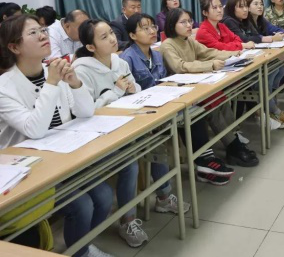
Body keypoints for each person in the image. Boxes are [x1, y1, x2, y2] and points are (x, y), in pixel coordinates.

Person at [0, 15, 113, 257]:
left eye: (42, 30)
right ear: (14, 47)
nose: (43, 35)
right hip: (29, 169)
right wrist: (52, 83)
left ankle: (82, 245)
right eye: (33, 33)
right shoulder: (4, 87)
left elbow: (86, 111)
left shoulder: (53, 70)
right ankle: (80, 252)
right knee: (82, 206)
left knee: (104, 196)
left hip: (63, 156)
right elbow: (35, 129)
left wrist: (74, 83)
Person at [72, 20, 148, 248]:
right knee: (130, 164)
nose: (113, 38)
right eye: (104, 37)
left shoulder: (119, 61)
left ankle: (161, 196)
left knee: (155, 143)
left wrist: (133, 88)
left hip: (123, 126)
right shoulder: (81, 70)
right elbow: (87, 110)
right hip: (93, 135)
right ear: (91, 47)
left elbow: (135, 89)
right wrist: (114, 91)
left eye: (112, 33)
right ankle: (127, 220)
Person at [160, 8, 259, 167]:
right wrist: (210, 65)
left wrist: (234, 53)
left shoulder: (188, 40)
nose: (189, 25)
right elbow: (180, 67)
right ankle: (233, 147)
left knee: (220, 98)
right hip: (182, 91)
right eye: (183, 22)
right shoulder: (168, 45)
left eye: (189, 21)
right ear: (172, 25)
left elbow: (208, 52)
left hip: (197, 84)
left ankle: (233, 139)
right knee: (213, 105)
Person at [119, 13, 190, 214]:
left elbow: (163, 82)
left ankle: (165, 194)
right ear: (132, 35)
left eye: (153, 26)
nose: (152, 31)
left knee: (185, 122)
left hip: (159, 110)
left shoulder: (156, 55)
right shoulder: (127, 58)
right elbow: (126, 95)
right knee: (158, 144)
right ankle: (164, 197)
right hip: (139, 117)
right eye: (145, 28)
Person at [247, 0, 284, 127]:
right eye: (255, 4)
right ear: (248, 7)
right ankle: (273, 111)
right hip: (254, 58)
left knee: (280, 70)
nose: (260, 6)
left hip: (263, 54)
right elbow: (254, 37)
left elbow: (273, 29)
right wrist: (271, 38)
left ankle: (271, 105)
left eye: (261, 4)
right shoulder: (246, 22)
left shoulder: (261, 20)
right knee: (271, 72)